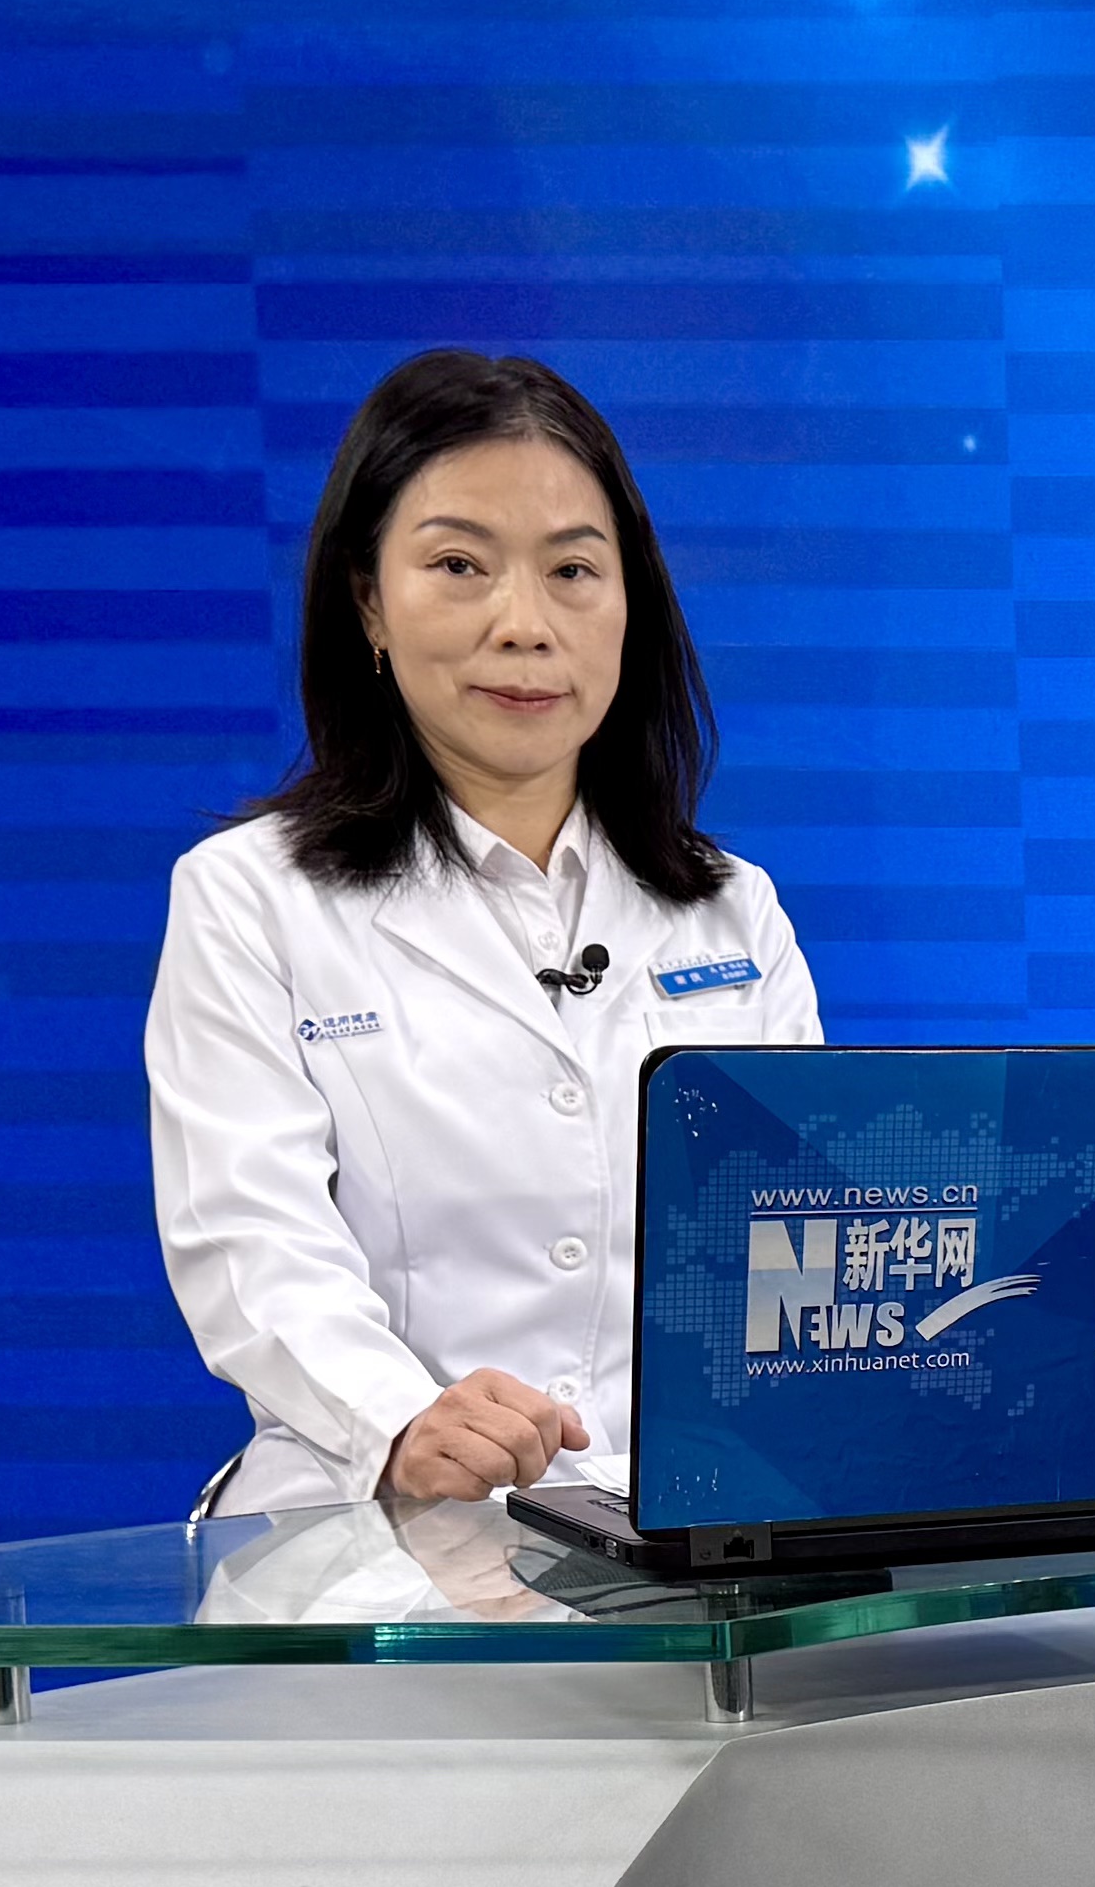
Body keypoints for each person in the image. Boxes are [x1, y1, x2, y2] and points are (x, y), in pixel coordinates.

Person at [147, 351, 822, 1514]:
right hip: (364, 1524)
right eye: (459, 565)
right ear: (369, 601)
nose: (525, 625)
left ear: (630, 605)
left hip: (678, 1523)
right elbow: (249, 1241)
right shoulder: (249, 897)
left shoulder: (731, 907)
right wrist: (398, 1419)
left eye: (573, 569)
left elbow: (796, 1255)